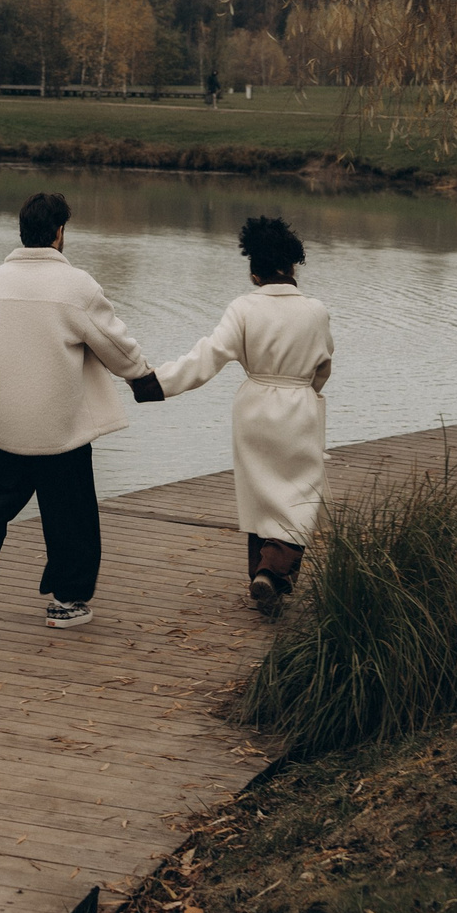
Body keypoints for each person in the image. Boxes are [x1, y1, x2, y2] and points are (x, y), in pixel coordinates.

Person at [0, 191, 157, 639]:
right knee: (70, 512)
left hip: (2, 425)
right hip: (60, 428)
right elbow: (113, 343)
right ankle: (66, 602)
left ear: (22, 232)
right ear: (59, 233)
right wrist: (142, 377)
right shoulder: (75, 285)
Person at [139, 215, 333, 614]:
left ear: (254, 272)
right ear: (293, 266)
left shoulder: (243, 308)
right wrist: (308, 392)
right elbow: (323, 366)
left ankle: (262, 576)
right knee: (300, 495)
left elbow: (208, 356)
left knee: (260, 493)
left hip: (253, 407)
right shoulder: (316, 311)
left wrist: (154, 383)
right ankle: (272, 573)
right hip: (298, 405)